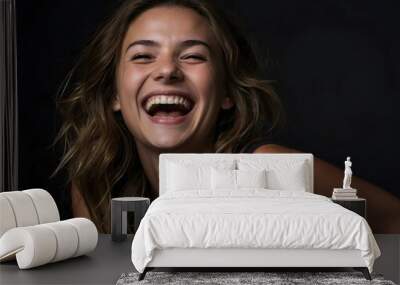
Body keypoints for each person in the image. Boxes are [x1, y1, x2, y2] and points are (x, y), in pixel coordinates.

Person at [53, 0, 400, 234]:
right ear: (115, 93)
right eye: (143, 55)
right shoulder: (95, 184)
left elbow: (394, 218)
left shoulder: (270, 167)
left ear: (227, 93)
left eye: (193, 56)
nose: (167, 70)